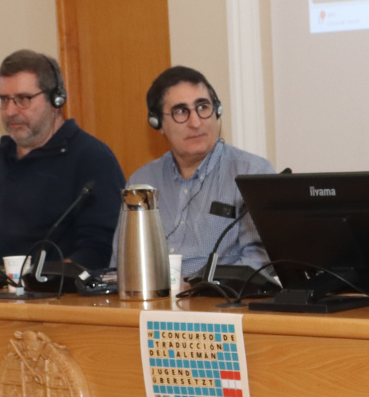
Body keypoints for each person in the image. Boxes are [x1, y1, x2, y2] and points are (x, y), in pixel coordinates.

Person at [0, 49, 126, 270]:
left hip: (45, 297)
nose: (10, 111)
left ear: (56, 99)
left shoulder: (92, 159)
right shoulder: (0, 155)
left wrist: (38, 279)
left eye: (23, 99)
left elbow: (99, 251)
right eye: (4, 99)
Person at [116, 66, 274, 276]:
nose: (196, 122)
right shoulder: (143, 182)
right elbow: (123, 262)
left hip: (219, 302)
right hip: (153, 303)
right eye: (181, 112)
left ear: (217, 111)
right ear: (158, 124)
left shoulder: (251, 173)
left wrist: (198, 286)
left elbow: (263, 259)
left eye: (203, 107)